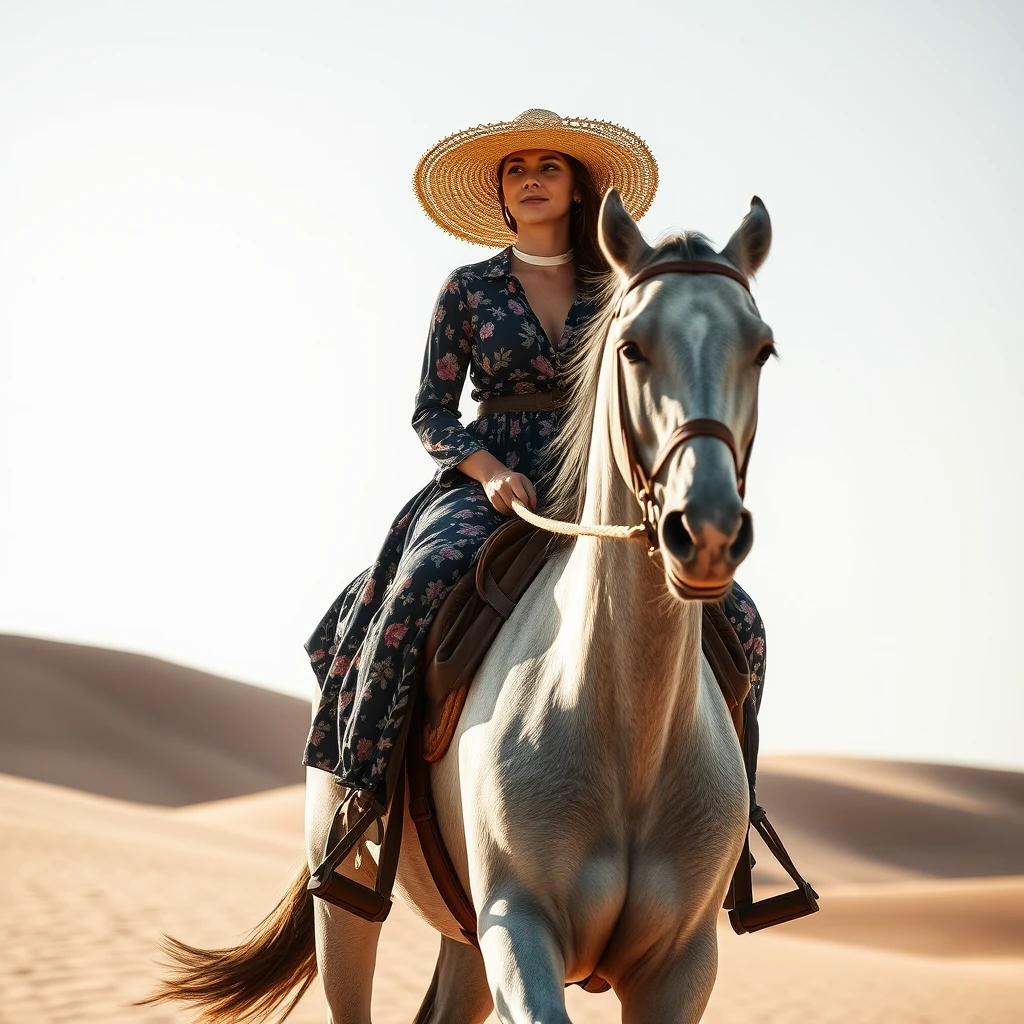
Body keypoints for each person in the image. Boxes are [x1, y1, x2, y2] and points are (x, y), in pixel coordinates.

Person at [302, 109, 767, 855]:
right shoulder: (468, 288)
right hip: (492, 475)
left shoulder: (622, 290)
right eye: (516, 170)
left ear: (578, 188)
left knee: (741, 621)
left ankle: (737, 831)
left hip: (605, 478)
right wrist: (487, 473)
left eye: (547, 167)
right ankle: (363, 793)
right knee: (420, 583)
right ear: (502, 194)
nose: (530, 180)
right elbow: (431, 411)